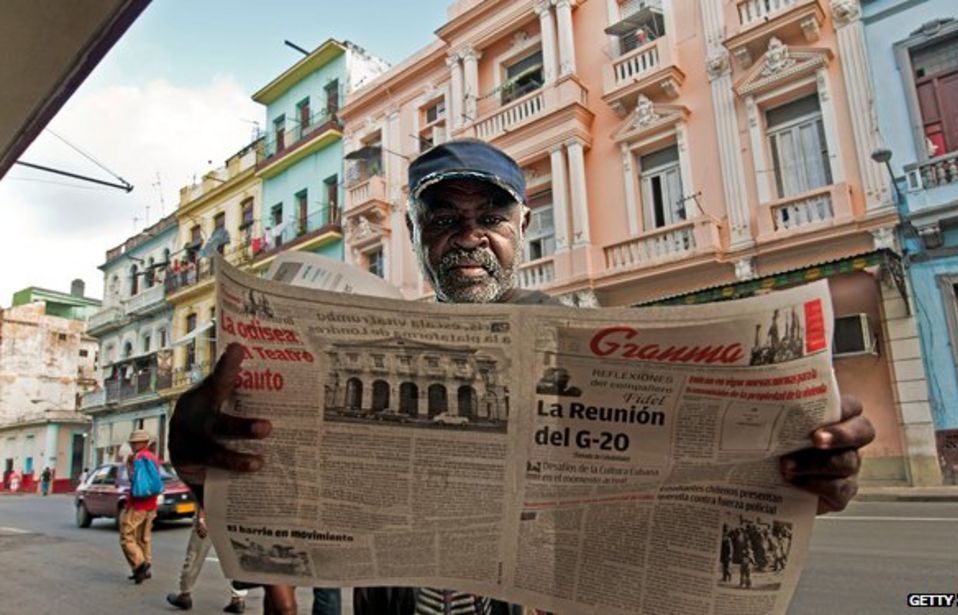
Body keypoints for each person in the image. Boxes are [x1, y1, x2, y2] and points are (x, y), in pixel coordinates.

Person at [170, 139, 876, 614]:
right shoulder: (356, 347)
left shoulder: (594, 346)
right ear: (416, 236)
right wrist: (200, 453)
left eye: (490, 216)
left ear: (524, 225)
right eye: (443, 219)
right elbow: (275, 519)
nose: (468, 236)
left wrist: (811, 465)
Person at [167, 505, 248, 613]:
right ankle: (238, 599)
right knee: (234, 558)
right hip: (235, 515)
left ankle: (185, 594)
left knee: (195, 555)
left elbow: (206, 491)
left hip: (211, 515)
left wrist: (201, 518)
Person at [122, 429, 159, 584]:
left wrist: (129, 464)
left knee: (127, 537)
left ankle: (139, 565)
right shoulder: (153, 457)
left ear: (142, 443)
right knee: (144, 537)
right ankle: (145, 569)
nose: (132, 445)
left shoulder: (138, 457)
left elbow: (134, 480)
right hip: (151, 504)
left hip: (138, 504)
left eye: (134, 442)